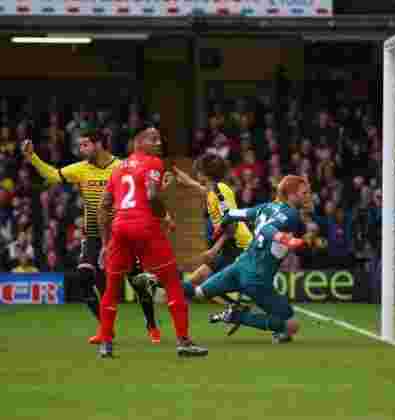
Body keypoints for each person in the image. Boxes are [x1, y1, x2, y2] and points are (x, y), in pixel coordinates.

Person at [22, 133, 161, 343]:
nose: (81, 149)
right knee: (84, 278)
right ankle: (106, 329)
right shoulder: (80, 168)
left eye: (85, 145)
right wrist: (33, 157)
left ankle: (151, 325)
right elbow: (51, 175)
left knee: (138, 281)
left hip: (121, 232)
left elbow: (143, 190)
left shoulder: (122, 166)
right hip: (94, 235)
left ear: (98, 145)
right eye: (80, 145)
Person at [96, 127, 207, 358]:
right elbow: (152, 195)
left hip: (120, 228)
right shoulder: (154, 162)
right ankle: (183, 342)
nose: (158, 142)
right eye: (152, 138)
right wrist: (164, 216)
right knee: (173, 281)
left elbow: (104, 206)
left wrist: (106, 244)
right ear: (138, 142)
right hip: (144, 226)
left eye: (159, 138)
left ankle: (105, 344)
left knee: (112, 286)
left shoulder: (117, 169)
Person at [184, 175, 310, 344]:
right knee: (291, 324)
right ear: (291, 195)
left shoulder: (266, 207)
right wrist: (285, 239)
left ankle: (156, 279)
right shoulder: (291, 214)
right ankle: (238, 316)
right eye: (304, 193)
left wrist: (220, 228)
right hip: (257, 278)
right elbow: (267, 228)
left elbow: (232, 214)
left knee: (197, 293)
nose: (308, 196)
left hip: (238, 267)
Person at [166, 154, 253, 304]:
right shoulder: (214, 190)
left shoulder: (220, 190)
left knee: (205, 289)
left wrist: (214, 250)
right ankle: (235, 306)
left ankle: (236, 307)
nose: (197, 173)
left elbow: (233, 224)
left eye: (198, 170)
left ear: (204, 173)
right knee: (195, 280)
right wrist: (187, 181)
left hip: (240, 247)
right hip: (229, 247)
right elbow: (204, 190)